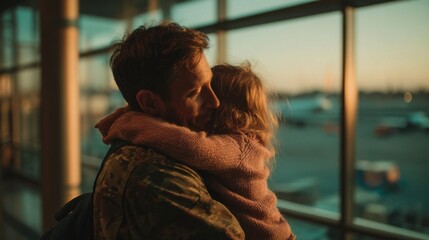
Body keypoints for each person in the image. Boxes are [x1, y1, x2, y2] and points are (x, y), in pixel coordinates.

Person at [96, 62, 296, 240]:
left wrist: (130, 122)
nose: (207, 101)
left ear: (223, 107)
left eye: (205, 94)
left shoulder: (240, 146)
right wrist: (125, 114)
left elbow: (190, 145)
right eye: (197, 93)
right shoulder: (234, 143)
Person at [93, 22, 245, 239]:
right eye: (194, 93)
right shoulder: (154, 175)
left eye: (210, 84)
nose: (215, 102)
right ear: (150, 103)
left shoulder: (137, 141)